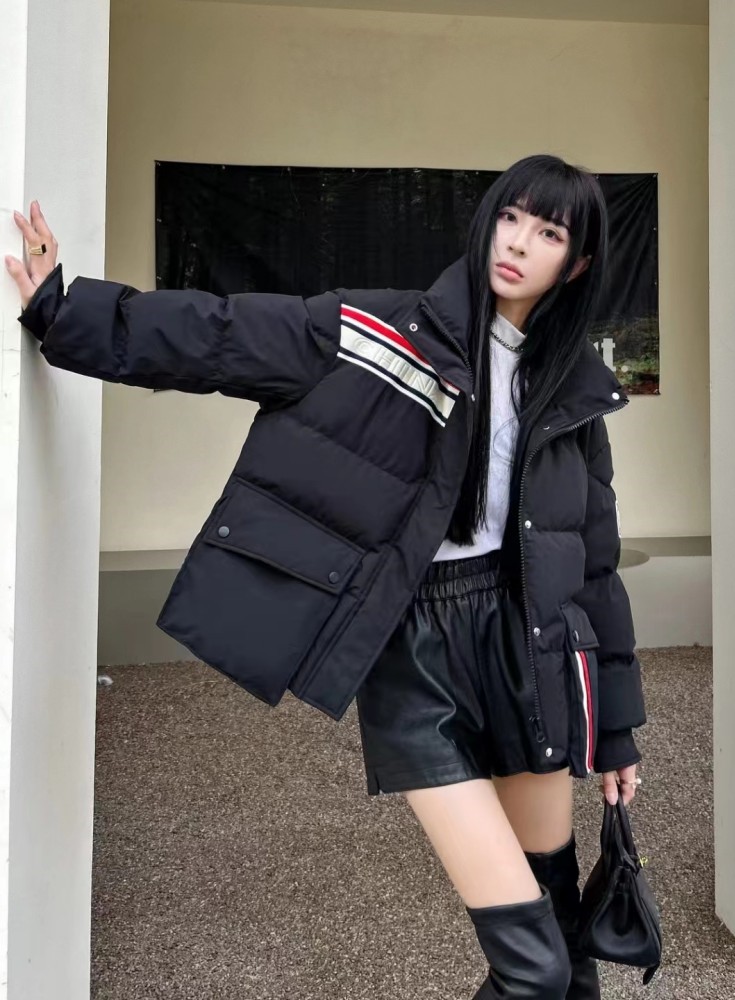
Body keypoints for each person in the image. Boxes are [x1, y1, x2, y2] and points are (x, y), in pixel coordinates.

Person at [6, 153, 646, 999]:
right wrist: (64, 310)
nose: (519, 242)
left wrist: (617, 731)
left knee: (567, 940)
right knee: (532, 969)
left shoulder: (574, 393)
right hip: (417, 653)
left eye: (549, 232)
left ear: (578, 262)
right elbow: (219, 334)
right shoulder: (379, 330)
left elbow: (595, 571)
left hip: (528, 650)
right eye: (510, 216)